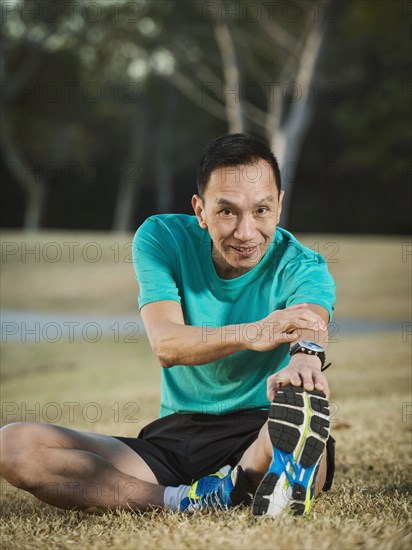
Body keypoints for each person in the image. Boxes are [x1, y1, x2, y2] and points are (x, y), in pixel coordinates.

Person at [0, 134, 336, 517]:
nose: (245, 232)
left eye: (261, 210)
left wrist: (306, 358)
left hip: (260, 424)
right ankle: (185, 499)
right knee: (14, 447)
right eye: (227, 211)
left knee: (295, 418)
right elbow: (168, 345)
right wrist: (251, 332)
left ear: (279, 207)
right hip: (177, 438)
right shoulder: (163, 238)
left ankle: (271, 466)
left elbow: (309, 318)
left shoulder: (303, 265)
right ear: (200, 210)